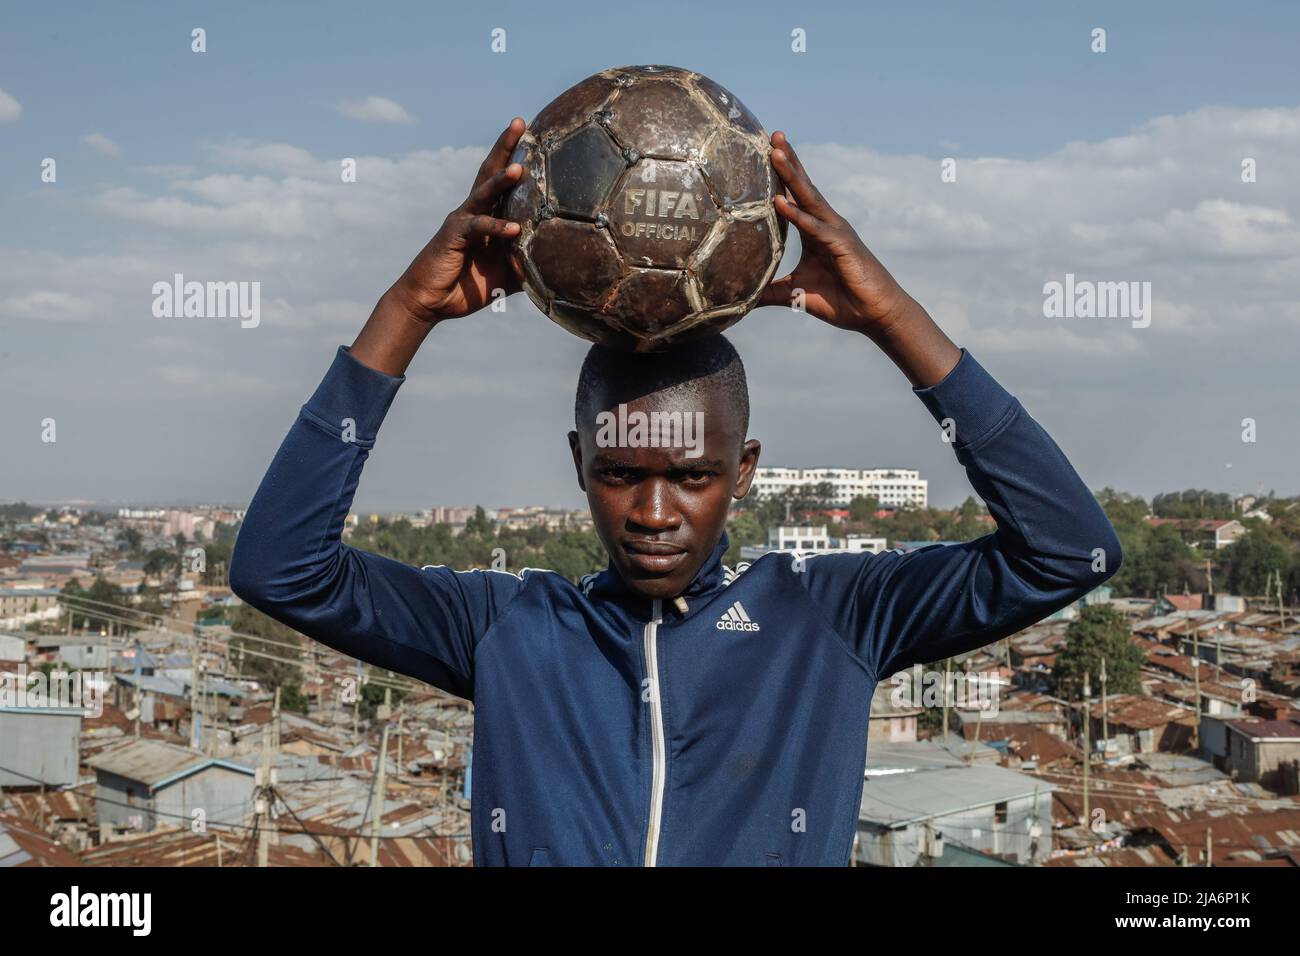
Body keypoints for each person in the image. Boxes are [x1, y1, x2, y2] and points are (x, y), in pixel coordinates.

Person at [229, 117, 1122, 866]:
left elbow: (1066, 549)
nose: (655, 515)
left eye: (691, 477)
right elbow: (281, 569)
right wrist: (405, 312)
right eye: (621, 475)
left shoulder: (832, 619)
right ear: (581, 463)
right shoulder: (508, 629)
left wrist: (895, 320)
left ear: (744, 471)